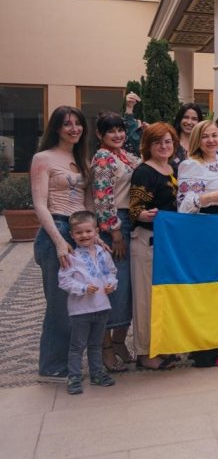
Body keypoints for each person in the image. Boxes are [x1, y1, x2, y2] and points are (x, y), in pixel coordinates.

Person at [31, 106, 92, 382]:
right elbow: (40, 204)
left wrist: (94, 236)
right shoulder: (42, 158)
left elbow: (87, 202)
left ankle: (69, 362)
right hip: (56, 229)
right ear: (56, 128)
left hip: (80, 232)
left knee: (77, 301)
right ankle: (52, 366)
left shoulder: (82, 159)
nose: (74, 129)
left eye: (78, 123)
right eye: (67, 124)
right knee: (59, 303)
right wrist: (58, 241)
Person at [176, 120, 218, 367]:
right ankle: (205, 353)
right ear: (196, 140)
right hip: (206, 228)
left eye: (214, 135)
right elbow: (184, 205)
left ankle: (217, 343)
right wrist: (208, 197)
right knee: (208, 291)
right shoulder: (191, 164)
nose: (211, 140)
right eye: (205, 136)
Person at [90, 112, 140, 373]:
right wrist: (115, 232)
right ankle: (106, 347)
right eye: (111, 131)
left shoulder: (124, 156)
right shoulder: (103, 158)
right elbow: (103, 198)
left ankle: (120, 342)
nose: (118, 135)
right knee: (114, 287)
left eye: (120, 130)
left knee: (129, 288)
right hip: (115, 225)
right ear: (100, 134)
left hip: (130, 220)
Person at [128, 122, 180, 371]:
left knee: (166, 299)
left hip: (169, 244)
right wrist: (144, 215)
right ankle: (145, 352)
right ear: (148, 145)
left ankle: (164, 346)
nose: (163, 146)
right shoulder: (144, 172)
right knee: (146, 300)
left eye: (168, 141)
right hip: (147, 241)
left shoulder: (174, 168)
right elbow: (134, 210)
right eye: (157, 142)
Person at [58, 210, 118, 395]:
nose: (84, 235)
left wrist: (111, 284)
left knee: (96, 344)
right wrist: (83, 288)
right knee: (77, 346)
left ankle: (97, 374)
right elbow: (64, 280)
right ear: (72, 235)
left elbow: (111, 272)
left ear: (96, 231)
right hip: (80, 310)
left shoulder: (103, 253)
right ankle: (74, 377)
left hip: (102, 306)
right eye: (79, 232)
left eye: (88, 231)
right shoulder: (71, 257)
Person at [172, 103, 203, 167]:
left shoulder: (203, 145)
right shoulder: (170, 142)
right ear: (179, 119)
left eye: (194, 119)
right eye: (186, 117)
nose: (189, 122)